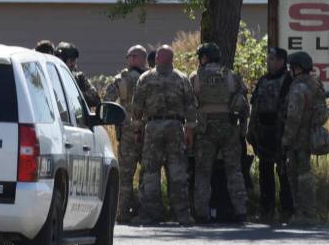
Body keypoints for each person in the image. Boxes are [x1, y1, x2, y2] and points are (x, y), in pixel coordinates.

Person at [130, 46, 197, 226]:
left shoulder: (145, 78)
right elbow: (191, 107)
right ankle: (182, 214)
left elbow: (136, 108)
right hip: (176, 126)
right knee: (177, 171)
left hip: (153, 126)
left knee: (151, 171)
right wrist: (189, 130)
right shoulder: (182, 78)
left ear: (157, 58)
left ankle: (150, 214)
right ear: (172, 59)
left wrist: (137, 130)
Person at [189, 42, 250, 224]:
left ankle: (201, 213)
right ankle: (241, 211)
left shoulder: (195, 76)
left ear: (204, 57)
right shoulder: (232, 75)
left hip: (205, 130)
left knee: (203, 172)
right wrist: (242, 130)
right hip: (229, 128)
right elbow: (244, 104)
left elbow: (189, 104)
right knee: (234, 171)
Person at [102, 45, 147, 223]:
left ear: (134, 58)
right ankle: (146, 211)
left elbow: (107, 101)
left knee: (126, 175)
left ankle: (122, 212)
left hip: (127, 133)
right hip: (148, 132)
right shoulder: (150, 78)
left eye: (129, 56)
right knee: (148, 173)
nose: (127, 60)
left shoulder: (122, 79)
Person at [248, 47, 294, 223]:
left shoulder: (289, 80)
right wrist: (251, 130)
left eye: (272, 59)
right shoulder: (263, 80)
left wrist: (287, 135)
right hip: (263, 134)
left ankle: (287, 211)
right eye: (268, 59)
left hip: (280, 133)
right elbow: (255, 107)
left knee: (284, 174)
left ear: (282, 61)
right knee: (264, 173)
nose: (269, 62)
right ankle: (266, 210)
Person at [282, 51, 327, 222]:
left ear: (297, 68)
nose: (290, 71)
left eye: (291, 67)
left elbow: (293, 117)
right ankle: (309, 212)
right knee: (305, 175)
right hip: (312, 134)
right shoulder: (316, 83)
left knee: (297, 176)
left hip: (298, 139)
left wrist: (286, 139)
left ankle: (304, 213)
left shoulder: (297, 87)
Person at [55, 41, 101, 109]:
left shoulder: (79, 78)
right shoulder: (52, 79)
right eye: (71, 61)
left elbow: (96, 99)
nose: (73, 64)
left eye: (74, 61)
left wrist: (77, 94)